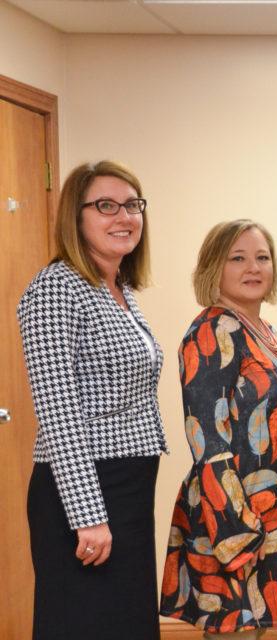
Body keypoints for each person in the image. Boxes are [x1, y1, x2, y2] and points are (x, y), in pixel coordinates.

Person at [18, 160, 167, 639]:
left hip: (127, 483)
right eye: (105, 206)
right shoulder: (56, 288)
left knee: (126, 621)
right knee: (84, 624)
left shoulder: (118, 287)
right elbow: (58, 411)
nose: (123, 217)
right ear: (75, 217)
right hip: (84, 489)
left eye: (132, 205)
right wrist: (88, 516)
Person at [159, 220, 277, 637]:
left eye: (262, 258)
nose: (254, 267)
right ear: (215, 267)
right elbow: (206, 441)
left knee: (257, 630)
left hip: (274, 509)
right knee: (236, 631)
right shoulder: (212, 330)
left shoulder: (265, 332)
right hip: (232, 514)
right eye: (238, 258)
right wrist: (236, 532)